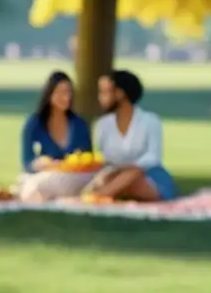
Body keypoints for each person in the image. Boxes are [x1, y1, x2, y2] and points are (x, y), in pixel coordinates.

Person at [92, 70, 177, 202]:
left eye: (104, 92)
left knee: (134, 175)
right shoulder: (103, 125)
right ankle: (107, 193)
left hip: (149, 176)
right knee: (107, 178)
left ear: (120, 94)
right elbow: (104, 158)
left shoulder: (150, 121)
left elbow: (153, 156)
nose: (100, 98)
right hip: (117, 175)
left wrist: (131, 167)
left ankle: (98, 196)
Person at [21, 71, 93, 173]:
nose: (66, 97)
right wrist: (43, 165)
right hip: (44, 177)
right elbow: (27, 163)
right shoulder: (34, 124)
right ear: (49, 94)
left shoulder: (80, 125)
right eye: (60, 92)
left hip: (74, 178)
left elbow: (89, 159)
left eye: (69, 92)